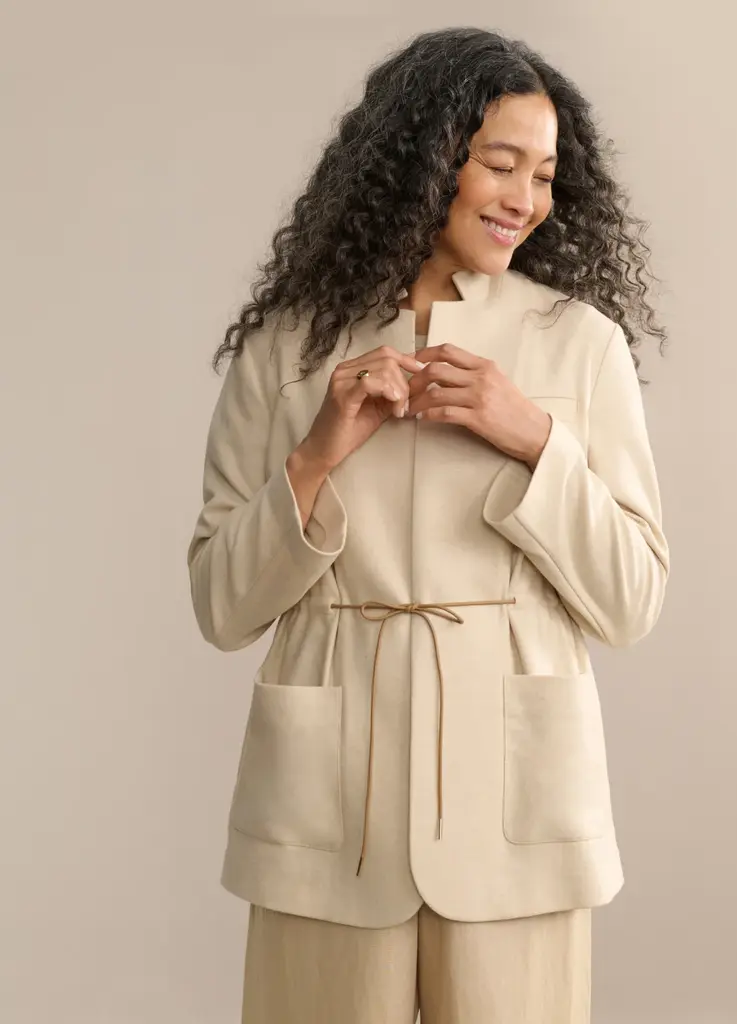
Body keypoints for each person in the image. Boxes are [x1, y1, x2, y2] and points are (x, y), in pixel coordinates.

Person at [186, 25, 670, 1024]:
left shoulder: (576, 345)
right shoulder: (288, 348)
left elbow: (631, 600)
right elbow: (221, 608)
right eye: (499, 163)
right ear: (424, 158)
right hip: (327, 803)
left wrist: (533, 439)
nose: (524, 198)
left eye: (544, 175)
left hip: (514, 799)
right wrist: (316, 453)